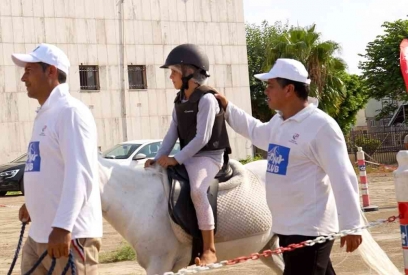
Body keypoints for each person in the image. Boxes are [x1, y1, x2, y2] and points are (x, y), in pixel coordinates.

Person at [214, 58, 363, 275]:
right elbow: (256, 132)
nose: (266, 91)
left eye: (271, 85)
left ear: (289, 89)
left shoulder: (321, 126)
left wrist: (352, 225)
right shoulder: (280, 122)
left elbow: (343, 176)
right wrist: (227, 108)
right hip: (287, 228)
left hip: (310, 231)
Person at [12, 43, 103, 274]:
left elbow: (80, 174)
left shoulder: (70, 112)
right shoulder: (45, 114)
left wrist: (62, 226)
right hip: (39, 236)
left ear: (50, 71)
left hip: (69, 237)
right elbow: (48, 167)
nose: (23, 78)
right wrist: (33, 202)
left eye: (29, 70)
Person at [144, 44, 230, 266]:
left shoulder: (207, 100)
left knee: (198, 191)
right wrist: (159, 157)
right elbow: (171, 134)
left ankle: (209, 248)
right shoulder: (179, 100)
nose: (170, 77)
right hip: (190, 155)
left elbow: (202, 138)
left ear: (189, 73)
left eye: (173, 71)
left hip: (209, 156)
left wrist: (176, 159)